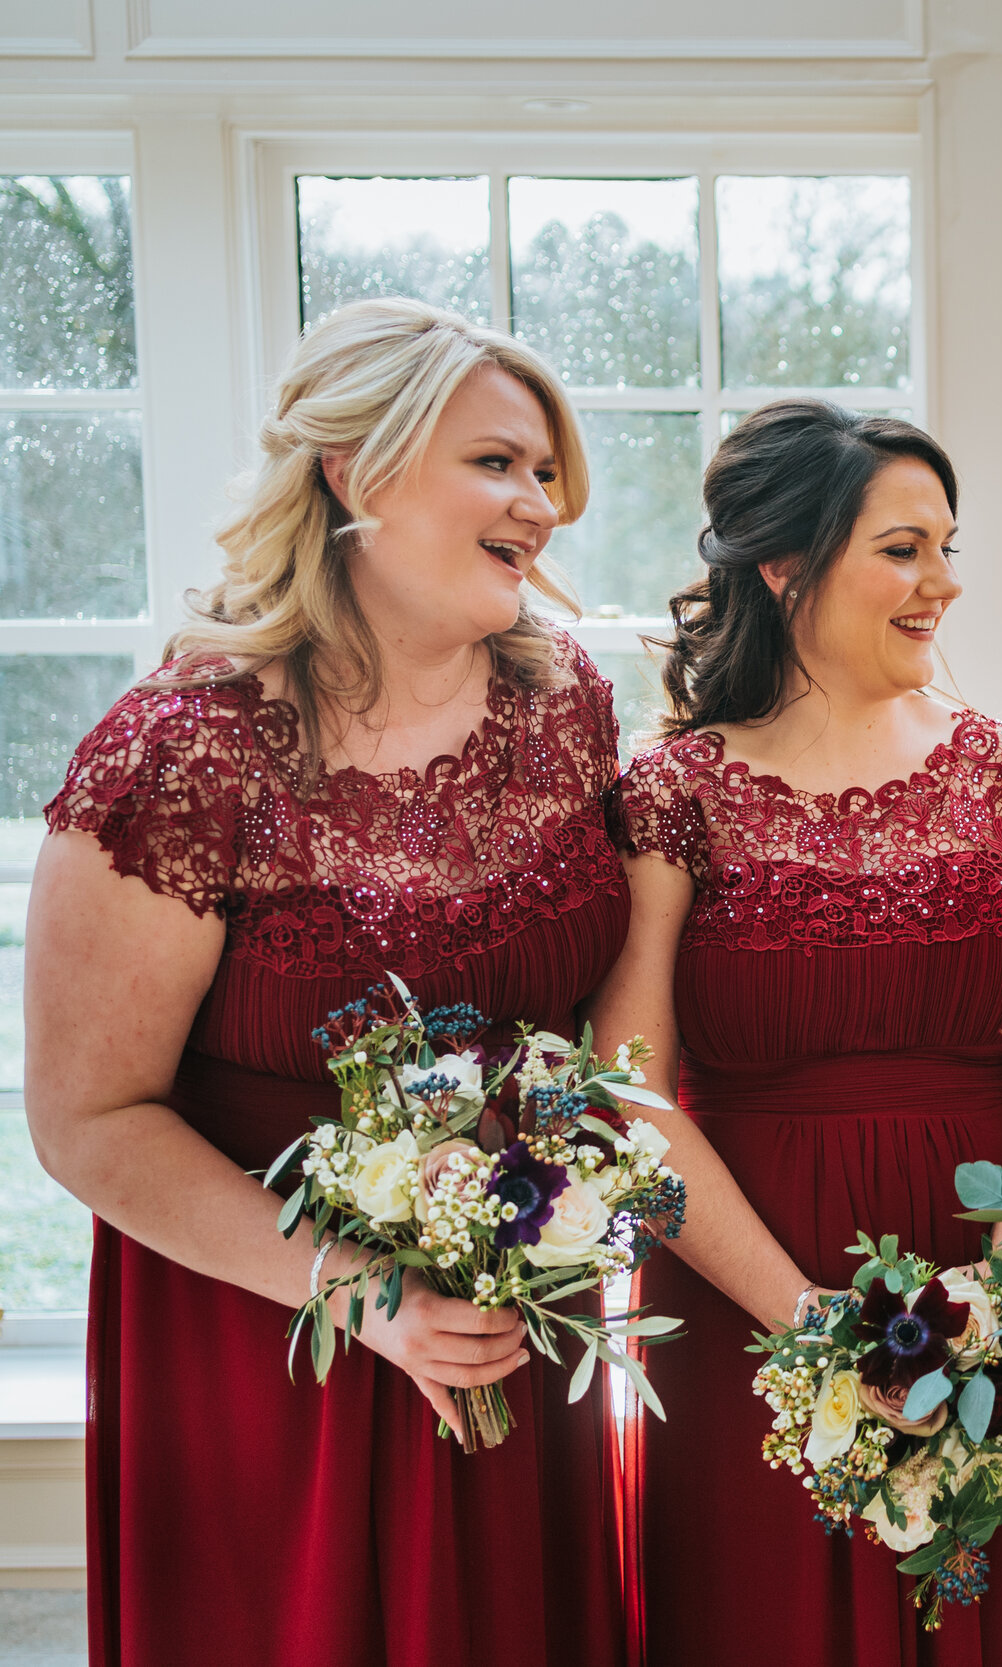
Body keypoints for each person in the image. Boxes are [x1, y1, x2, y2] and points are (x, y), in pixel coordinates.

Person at [28, 298, 627, 1666]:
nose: (538, 504)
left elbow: (587, 1023)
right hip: (269, 1343)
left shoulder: (566, 704)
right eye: (498, 463)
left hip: (513, 1310)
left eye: (547, 474)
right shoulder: (180, 754)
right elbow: (87, 1118)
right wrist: (361, 1291)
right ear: (354, 470)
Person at [590, 400, 1002, 1667]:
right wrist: (804, 1322)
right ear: (787, 563)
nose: (944, 583)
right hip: (746, 1289)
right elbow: (627, 1097)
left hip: (985, 1270)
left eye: (948, 547)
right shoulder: (674, 791)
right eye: (905, 548)